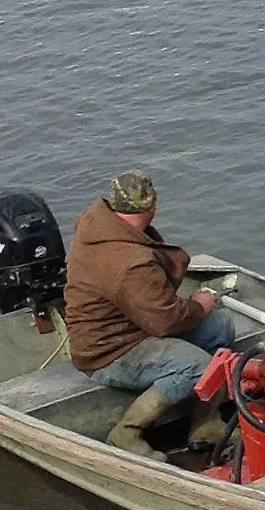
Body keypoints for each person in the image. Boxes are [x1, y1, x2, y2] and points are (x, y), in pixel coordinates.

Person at [63, 171, 245, 455]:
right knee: (196, 365)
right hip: (108, 351)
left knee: (220, 328)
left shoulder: (99, 225)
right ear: (152, 207)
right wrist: (200, 304)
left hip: (131, 327)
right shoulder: (130, 263)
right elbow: (165, 321)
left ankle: (204, 423)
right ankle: (126, 433)